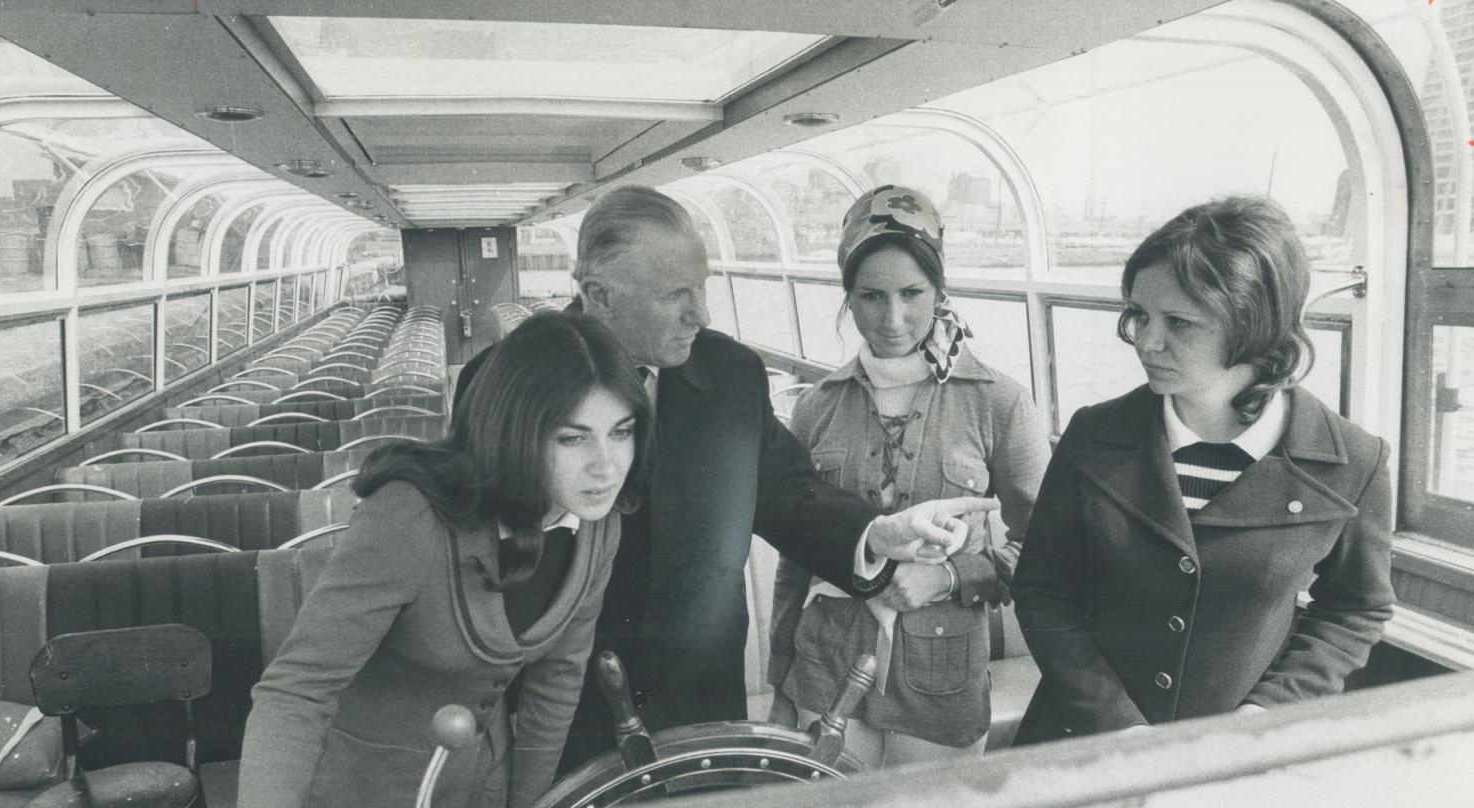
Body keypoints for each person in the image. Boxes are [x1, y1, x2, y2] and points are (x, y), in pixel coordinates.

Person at [455, 186, 979, 771]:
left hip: (700, 702)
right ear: (599, 295)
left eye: (701, 287)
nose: (700, 314)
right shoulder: (503, 383)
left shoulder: (729, 374)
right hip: (559, 714)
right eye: (677, 295)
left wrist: (876, 534)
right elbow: (473, 550)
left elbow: (785, 492)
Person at [235, 311, 650, 808]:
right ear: (516, 433)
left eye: (621, 433)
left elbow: (558, 679)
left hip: (480, 802)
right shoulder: (410, 518)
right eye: (573, 439)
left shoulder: (599, 526)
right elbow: (297, 688)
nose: (607, 466)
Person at [1012, 195, 1394, 743]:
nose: (1146, 341)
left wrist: (1268, 714)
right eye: (1139, 315)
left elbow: (1356, 609)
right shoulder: (1091, 436)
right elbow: (1043, 592)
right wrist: (1116, 726)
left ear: (1254, 326)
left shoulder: (1353, 463)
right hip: (1080, 743)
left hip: (1235, 763)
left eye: (1180, 323)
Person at [768, 185, 1049, 766]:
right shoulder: (816, 407)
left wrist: (950, 577)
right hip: (822, 674)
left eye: (911, 293)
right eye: (871, 297)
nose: (892, 318)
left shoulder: (999, 402)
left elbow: (1050, 547)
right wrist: (778, 681)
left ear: (940, 290)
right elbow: (794, 558)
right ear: (847, 297)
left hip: (941, 685)